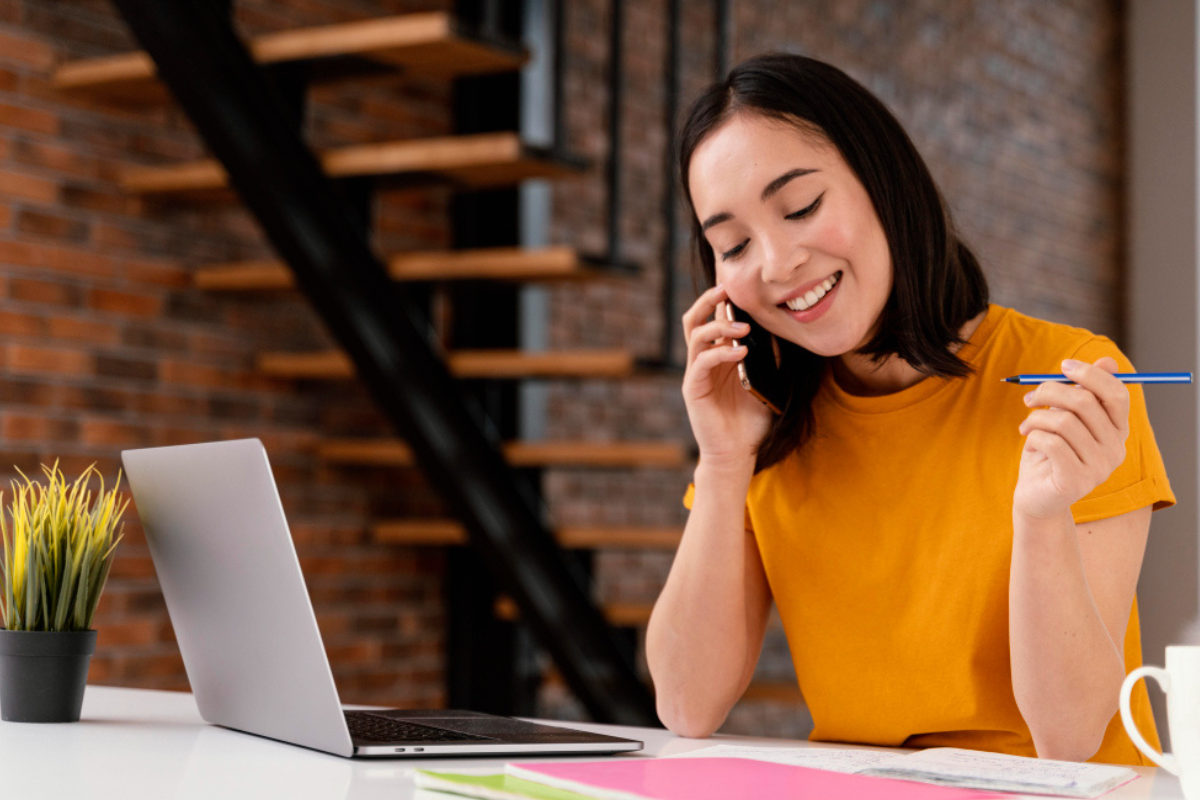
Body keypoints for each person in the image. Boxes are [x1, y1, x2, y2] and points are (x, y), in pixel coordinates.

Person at [645, 53, 1174, 765]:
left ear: (884, 181)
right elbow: (685, 705)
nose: (775, 263)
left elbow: (1069, 737)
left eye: (800, 207)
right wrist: (720, 462)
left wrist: (1041, 517)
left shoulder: (1074, 381)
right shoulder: (765, 423)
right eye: (733, 245)